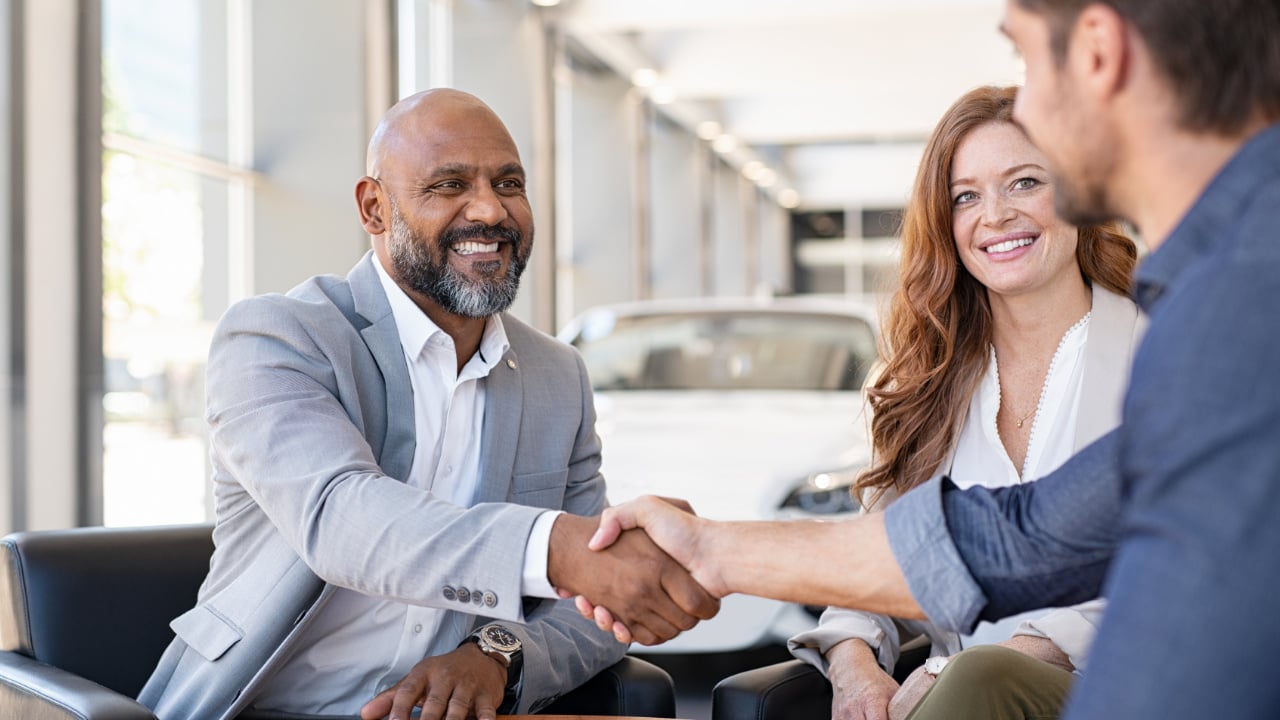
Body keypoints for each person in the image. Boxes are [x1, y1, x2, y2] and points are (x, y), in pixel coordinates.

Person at [581, 1, 1280, 717]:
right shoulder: (1215, 290)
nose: (997, 212)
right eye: (966, 196)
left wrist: (999, 662)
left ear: (1100, 51)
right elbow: (1021, 539)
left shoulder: (1217, 311)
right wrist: (713, 549)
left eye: (1027, 63)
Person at [138, 88, 718, 720]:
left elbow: (592, 608)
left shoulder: (558, 376)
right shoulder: (276, 337)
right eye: (448, 185)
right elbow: (342, 517)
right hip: (263, 707)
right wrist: (556, 550)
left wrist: (498, 653)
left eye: (509, 183)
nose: (490, 211)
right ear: (374, 208)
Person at [787, 84, 1141, 720]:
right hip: (950, 700)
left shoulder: (1158, 350)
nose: (995, 215)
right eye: (966, 197)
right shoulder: (930, 377)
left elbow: (1165, 565)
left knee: (983, 678)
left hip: (1121, 686)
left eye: (1026, 182)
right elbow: (876, 555)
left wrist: (955, 668)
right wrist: (854, 665)